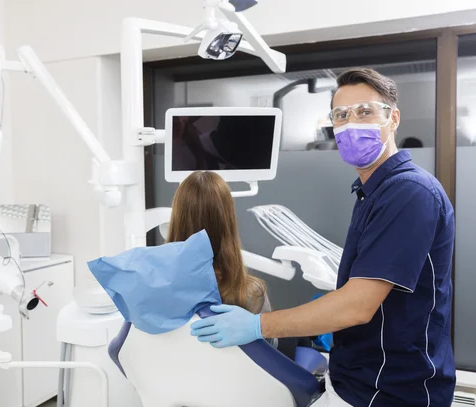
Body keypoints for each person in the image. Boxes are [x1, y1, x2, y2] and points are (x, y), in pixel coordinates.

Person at [190, 68, 456, 407]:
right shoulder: (373, 191)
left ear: (393, 118)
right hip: (359, 378)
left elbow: (358, 306)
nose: (350, 124)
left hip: (389, 390)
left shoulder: (408, 192)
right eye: (341, 115)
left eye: (364, 111)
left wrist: (259, 325)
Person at [167, 170, 278, 348]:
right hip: (237, 375)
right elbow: (269, 352)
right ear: (228, 220)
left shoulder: (155, 290)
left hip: (179, 374)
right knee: (295, 340)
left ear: (176, 219)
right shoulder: (250, 293)